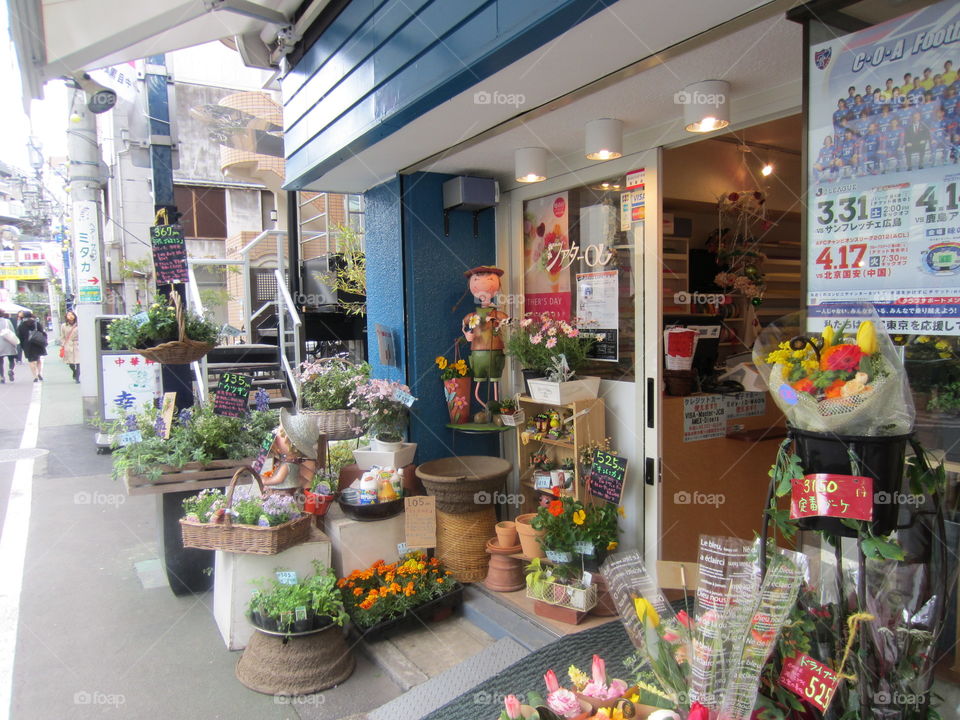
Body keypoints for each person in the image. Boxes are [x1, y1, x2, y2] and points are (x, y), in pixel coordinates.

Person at [16, 311, 47, 382]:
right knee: (38, 359)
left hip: (27, 344)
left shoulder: (21, 325)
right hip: (37, 343)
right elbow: (42, 332)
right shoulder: (36, 323)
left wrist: (22, 345)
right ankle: (39, 373)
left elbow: (19, 336)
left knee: (31, 361)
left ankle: (35, 376)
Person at [60, 310, 80, 382]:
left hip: (77, 344)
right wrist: (63, 345)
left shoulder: (79, 324)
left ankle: (77, 377)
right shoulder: (64, 325)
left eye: (72, 315)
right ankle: (74, 372)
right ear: (66, 317)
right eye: (69, 315)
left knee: (78, 362)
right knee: (70, 362)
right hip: (68, 345)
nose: (71, 316)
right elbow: (62, 336)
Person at [0, 311, 17, 383]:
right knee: (11, 359)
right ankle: (10, 370)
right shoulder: (7, 321)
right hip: (8, 342)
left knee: (0, 362)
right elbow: (13, 332)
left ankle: (1, 377)